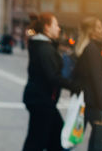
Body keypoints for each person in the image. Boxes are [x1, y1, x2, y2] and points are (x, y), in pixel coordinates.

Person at [22, 12, 79, 151]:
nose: (59, 28)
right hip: (42, 101)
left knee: (49, 140)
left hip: (41, 100)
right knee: (39, 141)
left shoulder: (43, 45)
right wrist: (74, 86)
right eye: (56, 25)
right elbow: (52, 76)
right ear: (47, 27)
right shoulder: (44, 48)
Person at [74, 17, 102, 149]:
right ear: (92, 31)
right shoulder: (92, 49)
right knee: (98, 138)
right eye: (100, 27)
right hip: (92, 103)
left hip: (85, 101)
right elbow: (97, 80)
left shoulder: (85, 48)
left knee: (75, 137)